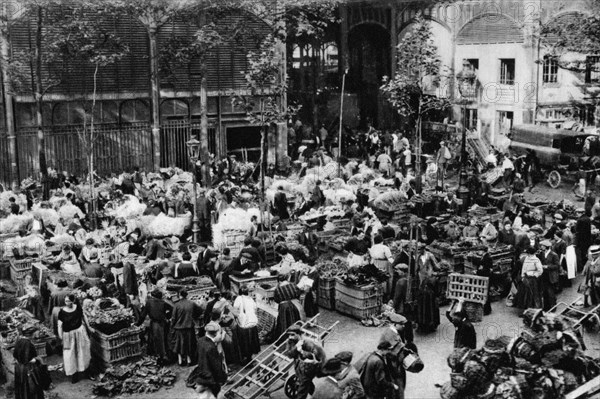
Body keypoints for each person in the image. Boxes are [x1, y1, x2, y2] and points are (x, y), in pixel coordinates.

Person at [284, 324, 326, 399]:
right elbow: (289, 354)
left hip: (310, 367)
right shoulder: (290, 341)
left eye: (293, 335)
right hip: (299, 366)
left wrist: (302, 352)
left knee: (302, 390)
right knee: (306, 382)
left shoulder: (308, 343)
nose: (290, 337)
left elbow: (315, 356)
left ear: (299, 334)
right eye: (289, 335)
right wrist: (296, 347)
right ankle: (312, 392)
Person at [58, 294, 92, 383]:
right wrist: (61, 337)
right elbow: (59, 325)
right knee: (70, 354)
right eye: (65, 301)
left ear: (73, 301)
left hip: (80, 332)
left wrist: (89, 327)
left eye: (68, 301)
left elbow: (84, 317)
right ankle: (74, 374)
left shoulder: (78, 308)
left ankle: (86, 371)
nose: (67, 303)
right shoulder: (62, 312)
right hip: (68, 335)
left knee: (83, 351)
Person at [186, 323, 227, 397]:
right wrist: (222, 378)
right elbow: (216, 366)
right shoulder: (211, 347)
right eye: (219, 333)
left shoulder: (200, 341)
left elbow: (196, 356)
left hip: (201, 373)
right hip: (210, 379)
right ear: (215, 334)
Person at [137, 288, 170, 364]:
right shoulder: (163, 302)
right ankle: (163, 356)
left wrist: (138, 324)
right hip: (162, 323)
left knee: (156, 340)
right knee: (163, 340)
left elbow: (143, 315)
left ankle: (159, 357)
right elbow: (172, 308)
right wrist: (167, 317)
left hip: (155, 324)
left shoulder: (149, 302)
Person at [172, 289, 203, 366]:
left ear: (180, 295)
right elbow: (200, 310)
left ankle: (180, 361)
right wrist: (193, 316)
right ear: (187, 295)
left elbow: (173, 318)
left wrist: (172, 326)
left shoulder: (176, 305)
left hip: (179, 328)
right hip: (189, 327)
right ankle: (189, 360)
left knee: (179, 345)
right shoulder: (191, 303)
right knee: (189, 344)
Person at [233, 285, 260, 364]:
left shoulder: (239, 298)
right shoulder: (251, 299)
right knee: (251, 342)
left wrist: (238, 316)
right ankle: (249, 357)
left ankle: (245, 357)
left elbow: (235, 309)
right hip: (252, 323)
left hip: (244, 324)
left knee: (244, 342)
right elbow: (255, 308)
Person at [539, 240, 559, 311]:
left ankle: (553, 307)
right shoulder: (542, 253)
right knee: (545, 292)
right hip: (544, 275)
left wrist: (547, 267)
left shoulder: (554, 255)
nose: (541, 247)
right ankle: (546, 307)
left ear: (546, 247)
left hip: (551, 276)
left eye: (542, 246)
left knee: (551, 292)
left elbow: (557, 266)